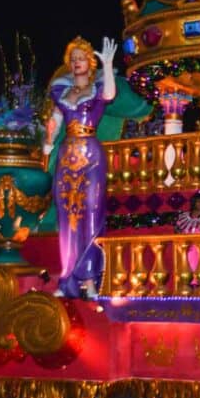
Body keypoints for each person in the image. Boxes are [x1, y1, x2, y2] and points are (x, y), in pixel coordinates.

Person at [43, 36, 117, 299]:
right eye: (73, 59)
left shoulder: (98, 88)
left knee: (92, 212)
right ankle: (68, 279)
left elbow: (109, 95)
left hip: (91, 155)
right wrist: (47, 143)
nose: (76, 63)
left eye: (81, 58)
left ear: (90, 62)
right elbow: (55, 120)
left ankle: (90, 279)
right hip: (67, 155)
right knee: (68, 217)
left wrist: (107, 64)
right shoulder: (61, 90)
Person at [175, 193, 200, 286]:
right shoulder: (183, 217)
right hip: (185, 249)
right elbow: (177, 231)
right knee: (186, 274)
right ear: (194, 202)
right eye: (199, 201)